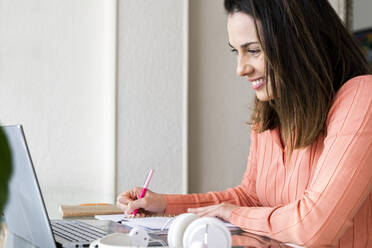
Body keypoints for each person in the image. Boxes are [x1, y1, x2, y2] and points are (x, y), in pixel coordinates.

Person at [117, 0, 372, 247]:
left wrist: (233, 214)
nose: (240, 69)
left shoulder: (362, 97)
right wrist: (164, 205)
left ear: (298, 41)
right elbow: (250, 197)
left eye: (253, 50)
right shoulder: (270, 109)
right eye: (235, 51)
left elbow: (315, 225)